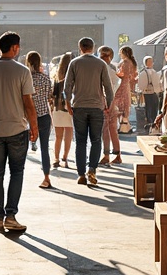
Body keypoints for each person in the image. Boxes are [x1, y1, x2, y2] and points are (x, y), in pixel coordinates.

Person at [0, 32, 38, 233]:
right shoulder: (22, 71)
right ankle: (11, 215)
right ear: (14, 48)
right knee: (17, 172)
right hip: (18, 129)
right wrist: (34, 127)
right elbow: (28, 103)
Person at [63, 37, 114, 187]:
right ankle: (92, 169)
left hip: (79, 106)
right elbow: (108, 88)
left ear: (80, 47)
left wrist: (68, 104)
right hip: (97, 107)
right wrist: (108, 105)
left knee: (80, 141)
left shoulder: (74, 63)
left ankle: (80, 174)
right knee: (96, 140)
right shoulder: (101, 64)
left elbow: (67, 87)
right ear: (93, 47)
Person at [26, 51, 54, 189]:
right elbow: (50, 96)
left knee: (20, 148)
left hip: (27, 118)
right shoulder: (45, 78)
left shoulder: (25, 78)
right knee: (45, 148)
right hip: (44, 116)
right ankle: (47, 177)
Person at [105, 46, 137, 162]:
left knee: (118, 103)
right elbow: (133, 76)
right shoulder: (132, 62)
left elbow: (122, 74)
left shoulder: (124, 62)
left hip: (121, 85)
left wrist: (114, 73)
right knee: (123, 104)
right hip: (126, 85)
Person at [51, 52, 75, 169]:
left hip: (57, 109)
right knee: (68, 136)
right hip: (69, 109)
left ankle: (56, 158)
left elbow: (52, 95)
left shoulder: (56, 78)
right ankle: (65, 158)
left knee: (58, 136)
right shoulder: (73, 78)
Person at [137, 56, 162, 132]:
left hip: (153, 92)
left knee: (153, 108)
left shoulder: (152, 72)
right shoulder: (145, 72)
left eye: (152, 61)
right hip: (147, 93)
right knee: (149, 108)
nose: (152, 63)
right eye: (150, 61)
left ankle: (152, 123)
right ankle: (150, 123)